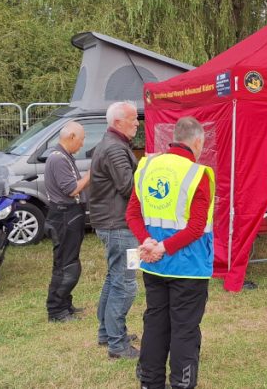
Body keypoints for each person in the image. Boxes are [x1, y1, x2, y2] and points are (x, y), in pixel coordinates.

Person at [126, 116, 214, 389]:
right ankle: (181, 384)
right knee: (185, 330)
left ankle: (150, 383)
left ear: (174, 137)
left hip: (154, 265)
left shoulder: (147, 166)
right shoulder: (198, 174)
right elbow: (197, 226)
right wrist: (162, 247)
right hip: (188, 267)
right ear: (197, 141)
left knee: (155, 324)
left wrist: (148, 242)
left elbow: (132, 213)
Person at [89, 101, 141, 358]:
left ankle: (106, 331)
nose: (137, 122)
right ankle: (117, 344)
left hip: (111, 222)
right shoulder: (114, 149)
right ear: (117, 122)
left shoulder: (112, 144)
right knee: (126, 283)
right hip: (119, 225)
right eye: (133, 119)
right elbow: (128, 188)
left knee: (114, 278)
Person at [44, 121, 91, 322]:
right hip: (64, 216)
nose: (82, 145)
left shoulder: (64, 156)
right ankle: (56, 310)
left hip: (69, 215)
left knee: (68, 261)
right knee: (66, 265)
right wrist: (91, 173)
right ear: (71, 137)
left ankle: (65, 303)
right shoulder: (58, 159)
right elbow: (71, 189)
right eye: (81, 140)